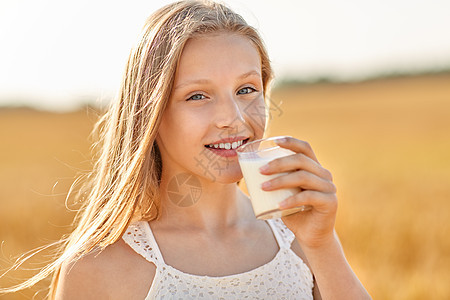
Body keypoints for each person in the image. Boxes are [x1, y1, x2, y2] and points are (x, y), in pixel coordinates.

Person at [1, 1, 371, 299]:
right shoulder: (101, 268)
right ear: (150, 113)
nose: (233, 118)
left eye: (246, 89)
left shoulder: (299, 237)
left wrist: (323, 246)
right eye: (198, 95)